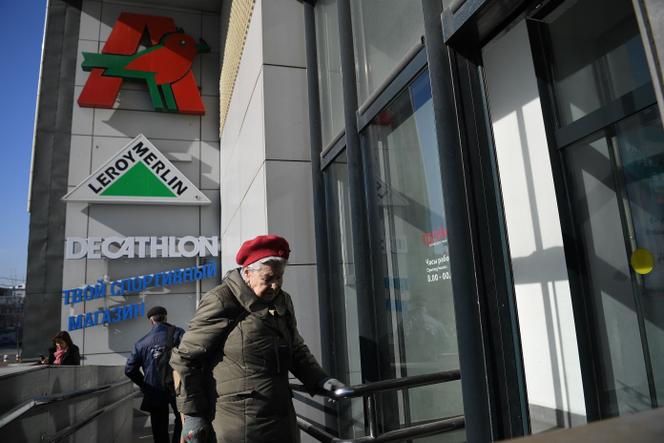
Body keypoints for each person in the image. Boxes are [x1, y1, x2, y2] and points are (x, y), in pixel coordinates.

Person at [170, 234, 345, 443]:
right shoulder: (222, 299)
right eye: (268, 279)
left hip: (281, 419)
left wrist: (321, 380)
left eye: (279, 277)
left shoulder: (283, 300)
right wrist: (193, 417)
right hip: (238, 425)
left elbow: (295, 348)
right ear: (247, 273)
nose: (275, 285)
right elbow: (186, 360)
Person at [126, 306, 185, 443]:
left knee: (159, 427)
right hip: (178, 386)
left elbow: (129, 369)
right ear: (165, 318)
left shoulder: (140, 344)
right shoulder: (178, 333)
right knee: (182, 419)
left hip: (154, 390)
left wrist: (144, 385)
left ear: (151, 321)